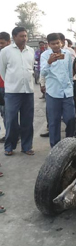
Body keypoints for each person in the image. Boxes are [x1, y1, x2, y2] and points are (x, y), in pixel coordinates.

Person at [0, 27, 35, 156]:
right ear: (14, 37)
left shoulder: (30, 51)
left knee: (27, 120)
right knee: (11, 120)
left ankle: (26, 146)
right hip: (12, 92)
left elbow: (31, 68)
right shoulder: (5, 52)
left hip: (28, 91)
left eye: (25, 36)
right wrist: (11, 83)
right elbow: (2, 71)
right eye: (21, 36)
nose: (24, 38)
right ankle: (9, 146)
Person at [40, 33, 76, 147]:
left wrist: (70, 86)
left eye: (57, 43)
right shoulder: (45, 55)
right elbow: (43, 73)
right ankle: (55, 147)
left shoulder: (68, 54)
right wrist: (49, 62)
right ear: (49, 44)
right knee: (54, 122)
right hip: (53, 93)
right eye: (53, 44)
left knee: (71, 118)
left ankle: (69, 145)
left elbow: (70, 72)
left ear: (61, 42)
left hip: (67, 92)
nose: (56, 46)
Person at [0, 32, 11, 143]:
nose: (0, 45)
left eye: (2, 43)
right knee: (4, 113)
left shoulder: (11, 54)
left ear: (9, 42)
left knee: (8, 113)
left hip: (6, 87)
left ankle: (11, 135)